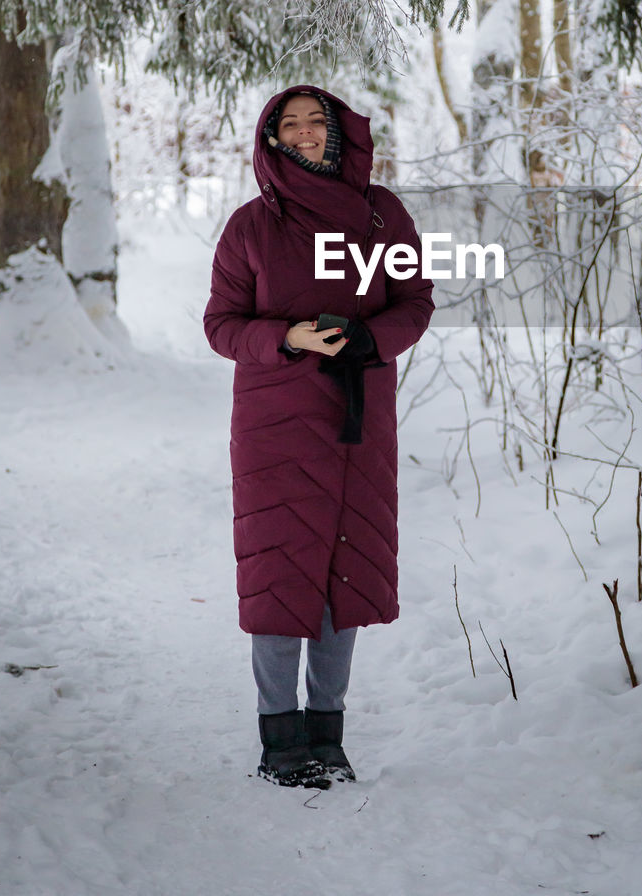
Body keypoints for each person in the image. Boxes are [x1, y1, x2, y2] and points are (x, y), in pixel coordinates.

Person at [203, 86, 434, 788]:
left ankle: (326, 735)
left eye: (316, 122)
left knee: (346, 568)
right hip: (274, 422)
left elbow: (415, 300)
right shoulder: (251, 227)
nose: (304, 134)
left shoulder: (380, 213)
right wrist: (288, 337)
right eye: (290, 125)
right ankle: (280, 740)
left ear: (338, 133)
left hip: (358, 417)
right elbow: (221, 325)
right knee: (280, 570)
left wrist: (370, 338)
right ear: (271, 139)